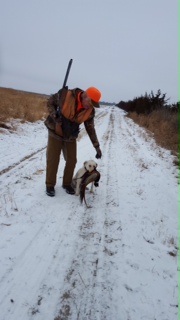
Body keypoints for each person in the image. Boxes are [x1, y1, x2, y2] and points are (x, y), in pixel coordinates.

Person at [44, 86, 102, 197]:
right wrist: (54, 115)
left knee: (72, 160)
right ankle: (50, 185)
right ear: (85, 95)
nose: (89, 106)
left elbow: (90, 129)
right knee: (53, 159)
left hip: (70, 135)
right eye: (90, 102)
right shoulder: (66, 95)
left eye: (92, 105)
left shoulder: (89, 111)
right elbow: (50, 102)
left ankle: (67, 184)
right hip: (55, 131)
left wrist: (97, 147)